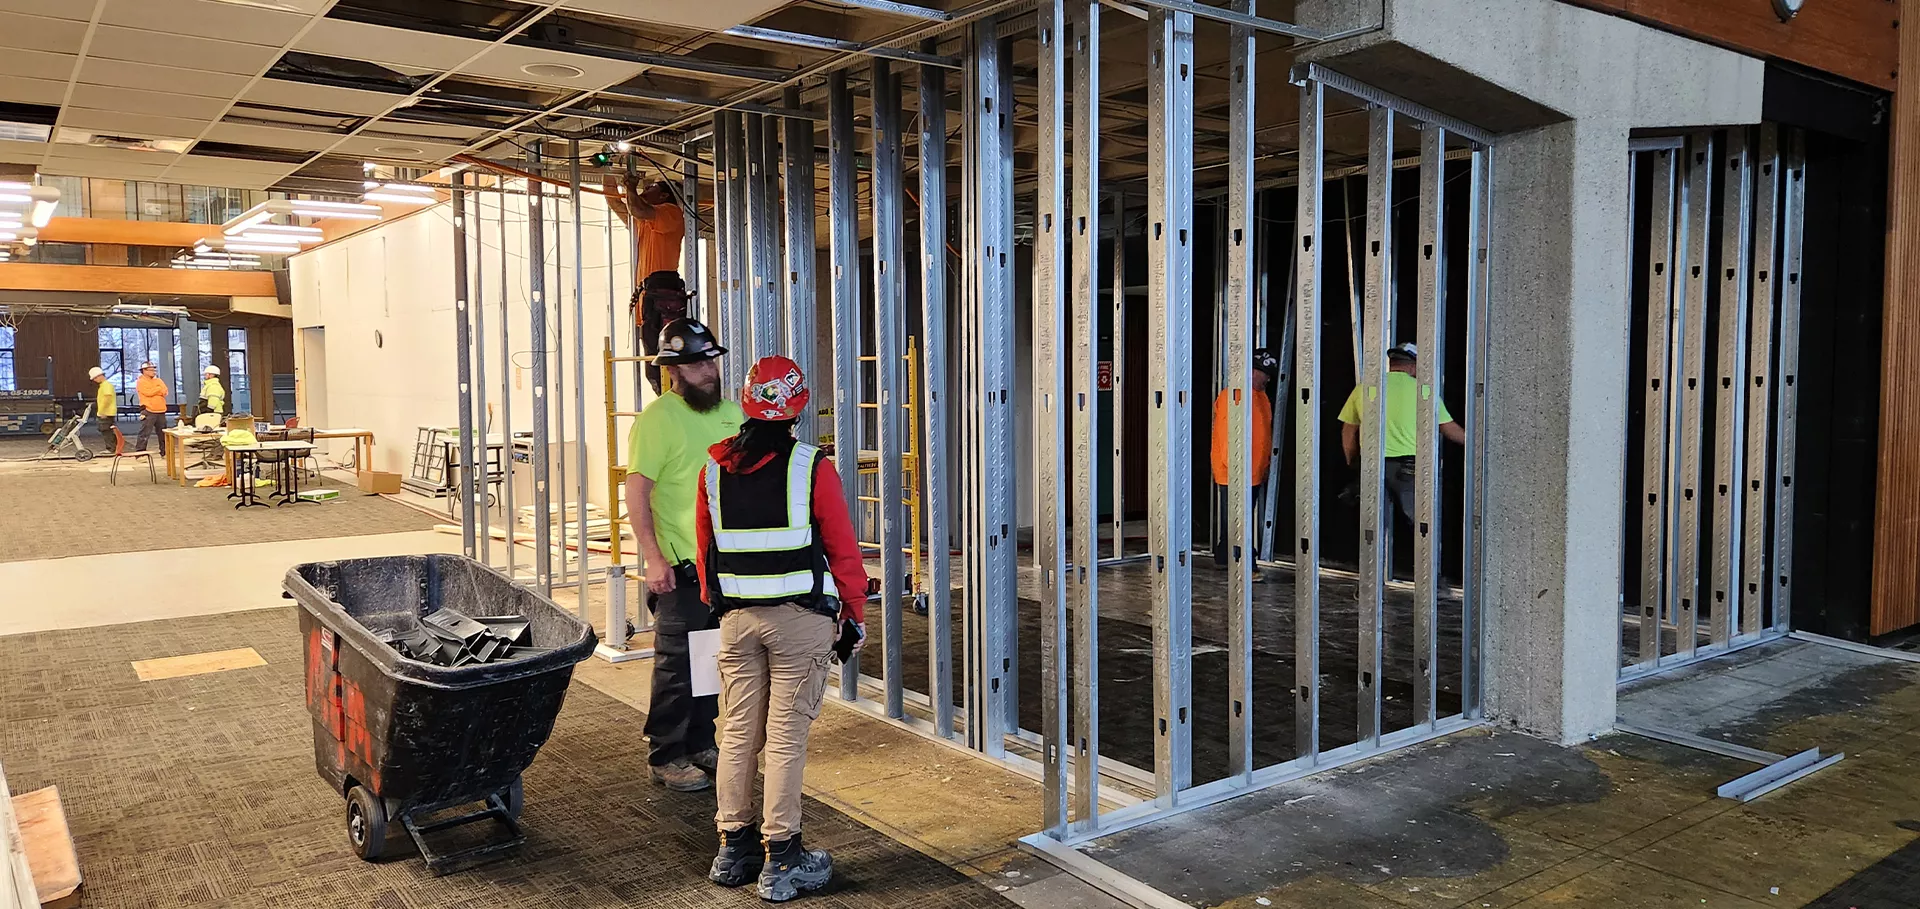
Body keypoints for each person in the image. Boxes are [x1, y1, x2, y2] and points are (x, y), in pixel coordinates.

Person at [697, 356, 868, 902]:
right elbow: (842, 548)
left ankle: (733, 847)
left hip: (737, 622)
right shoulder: (810, 466)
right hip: (798, 624)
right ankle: (783, 857)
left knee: (739, 733)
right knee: (786, 738)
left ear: (746, 401)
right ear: (797, 406)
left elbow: (707, 554)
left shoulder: (713, 471)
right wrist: (855, 616)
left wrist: (718, 604)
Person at [625, 318, 743, 792]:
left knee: (711, 657)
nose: (709, 369)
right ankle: (666, 753)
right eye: (697, 363)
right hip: (680, 563)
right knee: (677, 662)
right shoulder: (658, 420)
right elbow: (637, 493)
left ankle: (699, 740)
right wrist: (653, 558)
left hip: (727, 564)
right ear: (674, 369)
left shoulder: (732, 414)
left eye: (711, 359)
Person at [1336, 342, 1466, 526]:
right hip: (1408, 469)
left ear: (1392, 363)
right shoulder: (1424, 391)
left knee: (1373, 526)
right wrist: (1474, 443)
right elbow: (1448, 428)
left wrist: (1352, 461)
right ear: (1414, 366)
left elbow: (1348, 430)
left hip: (1371, 465)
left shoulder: (1364, 388)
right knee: (1423, 526)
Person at [1212, 349, 1279, 581]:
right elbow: (1226, 434)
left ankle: (1223, 556)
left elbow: (1264, 435)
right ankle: (1244, 565)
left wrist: (1266, 463)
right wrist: (1235, 469)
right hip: (1236, 472)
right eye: (1265, 374)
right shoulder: (1234, 396)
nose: (1268, 379)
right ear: (1252, 371)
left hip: (1253, 471)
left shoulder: (1262, 397)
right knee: (1240, 520)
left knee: (1235, 517)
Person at [606, 176, 687, 281]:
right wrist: (607, 169)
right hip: (649, 292)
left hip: (661, 291)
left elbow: (637, 210)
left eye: (653, 186)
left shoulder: (672, 213)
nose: (646, 187)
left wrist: (630, 187)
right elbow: (615, 203)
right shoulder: (645, 220)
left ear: (664, 195)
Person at [133, 362, 169, 452]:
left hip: (161, 410)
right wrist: (158, 389)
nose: (154, 372)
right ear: (144, 371)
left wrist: (155, 390)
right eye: (151, 370)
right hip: (148, 410)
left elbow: (165, 391)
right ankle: (140, 452)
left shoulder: (158, 381)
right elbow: (148, 393)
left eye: (154, 370)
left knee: (163, 433)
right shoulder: (141, 382)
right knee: (144, 433)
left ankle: (164, 452)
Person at [88, 367, 117, 450]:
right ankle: (114, 447)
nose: (94, 380)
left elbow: (107, 398)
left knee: (106, 431)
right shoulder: (104, 385)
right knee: (107, 431)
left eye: (95, 378)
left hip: (106, 413)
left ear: (100, 376)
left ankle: (111, 448)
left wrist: (102, 412)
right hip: (107, 412)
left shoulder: (106, 385)